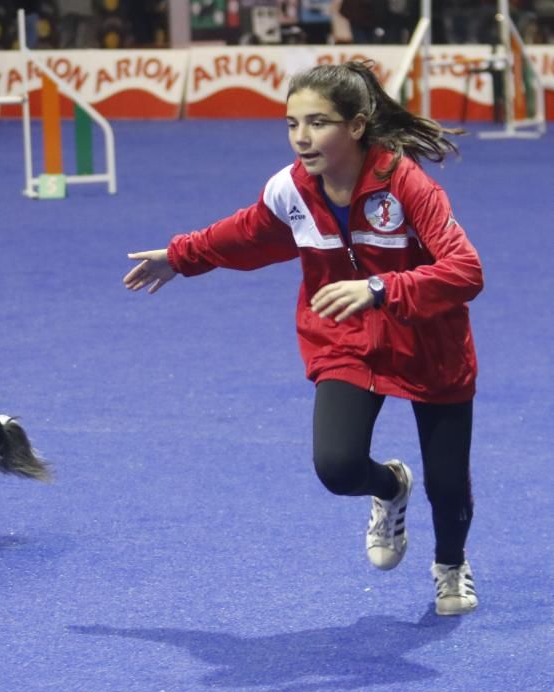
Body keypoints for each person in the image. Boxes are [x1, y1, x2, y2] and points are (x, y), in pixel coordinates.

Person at [123, 61, 483, 616]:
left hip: (430, 345)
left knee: (449, 487)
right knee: (337, 467)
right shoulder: (291, 189)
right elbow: (245, 233)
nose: (301, 138)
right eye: (292, 124)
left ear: (357, 126)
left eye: (317, 123)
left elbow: (465, 271)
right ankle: (390, 487)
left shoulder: (405, 182)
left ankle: (450, 566)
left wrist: (382, 288)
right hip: (347, 341)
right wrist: (180, 256)